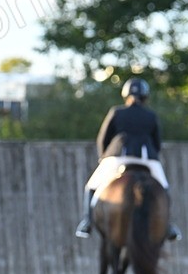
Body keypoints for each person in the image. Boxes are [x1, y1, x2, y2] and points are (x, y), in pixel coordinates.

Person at [74, 77, 182, 241]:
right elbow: (157, 143)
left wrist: (104, 157)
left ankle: (87, 222)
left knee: (91, 186)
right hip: (147, 158)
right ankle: (168, 225)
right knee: (164, 188)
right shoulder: (151, 115)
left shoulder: (117, 112)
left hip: (119, 156)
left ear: (125, 95)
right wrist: (151, 157)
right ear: (145, 97)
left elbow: (103, 139)